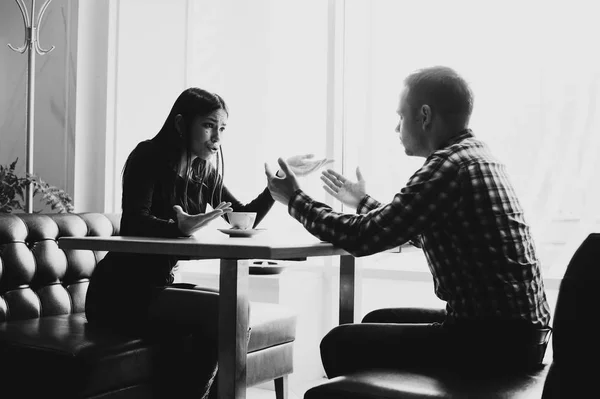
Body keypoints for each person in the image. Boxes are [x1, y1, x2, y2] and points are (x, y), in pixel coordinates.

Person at [265, 66, 552, 377]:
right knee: (375, 320)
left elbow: (365, 237)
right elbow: (417, 228)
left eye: (401, 116)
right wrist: (362, 202)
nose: (396, 127)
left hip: (489, 343)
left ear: (424, 116)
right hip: (522, 338)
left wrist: (295, 199)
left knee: (338, 343)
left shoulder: (447, 166)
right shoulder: (478, 155)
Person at [84, 87, 331, 398]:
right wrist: (178, 227)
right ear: (180, 124)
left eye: (222, 128)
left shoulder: (204, 171)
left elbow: (241, 216)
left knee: (230, 308)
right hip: (118, 294)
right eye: (209, 125)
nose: (217, 137)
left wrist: (277, 183)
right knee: (223, 310)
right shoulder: (147, 156)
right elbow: (133, 221)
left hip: (156, 287)